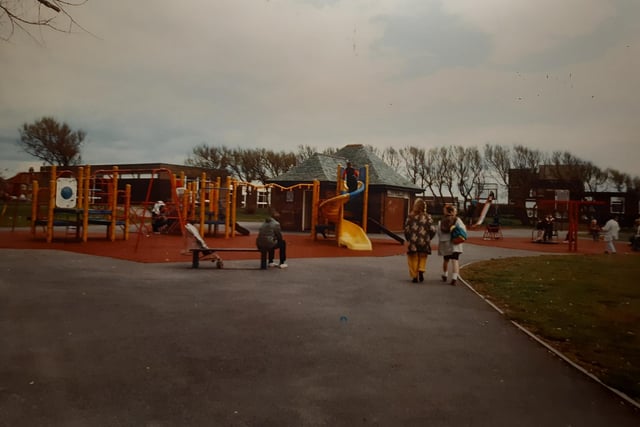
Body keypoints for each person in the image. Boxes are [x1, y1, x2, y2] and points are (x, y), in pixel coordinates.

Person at [403, 199, 435, 283]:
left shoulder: (410, 217)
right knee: (423, 256)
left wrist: (408, 238)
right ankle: (421, 268)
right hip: (424, 240)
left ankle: (414, 276)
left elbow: (406, 229)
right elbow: (432, 229)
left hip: (413, 241)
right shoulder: (428, 217)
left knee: (413, 258)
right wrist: (429, 237)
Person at [437, 204, 466, 286]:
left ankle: (445, 274)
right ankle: (454, 277)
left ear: (446, 211)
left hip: (445, 243)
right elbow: (463, 229)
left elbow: (439, 233)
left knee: (446, 260)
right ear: (452, 211)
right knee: (455, 260)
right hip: (455, 243)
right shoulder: (457, 220)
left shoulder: (441, 221)